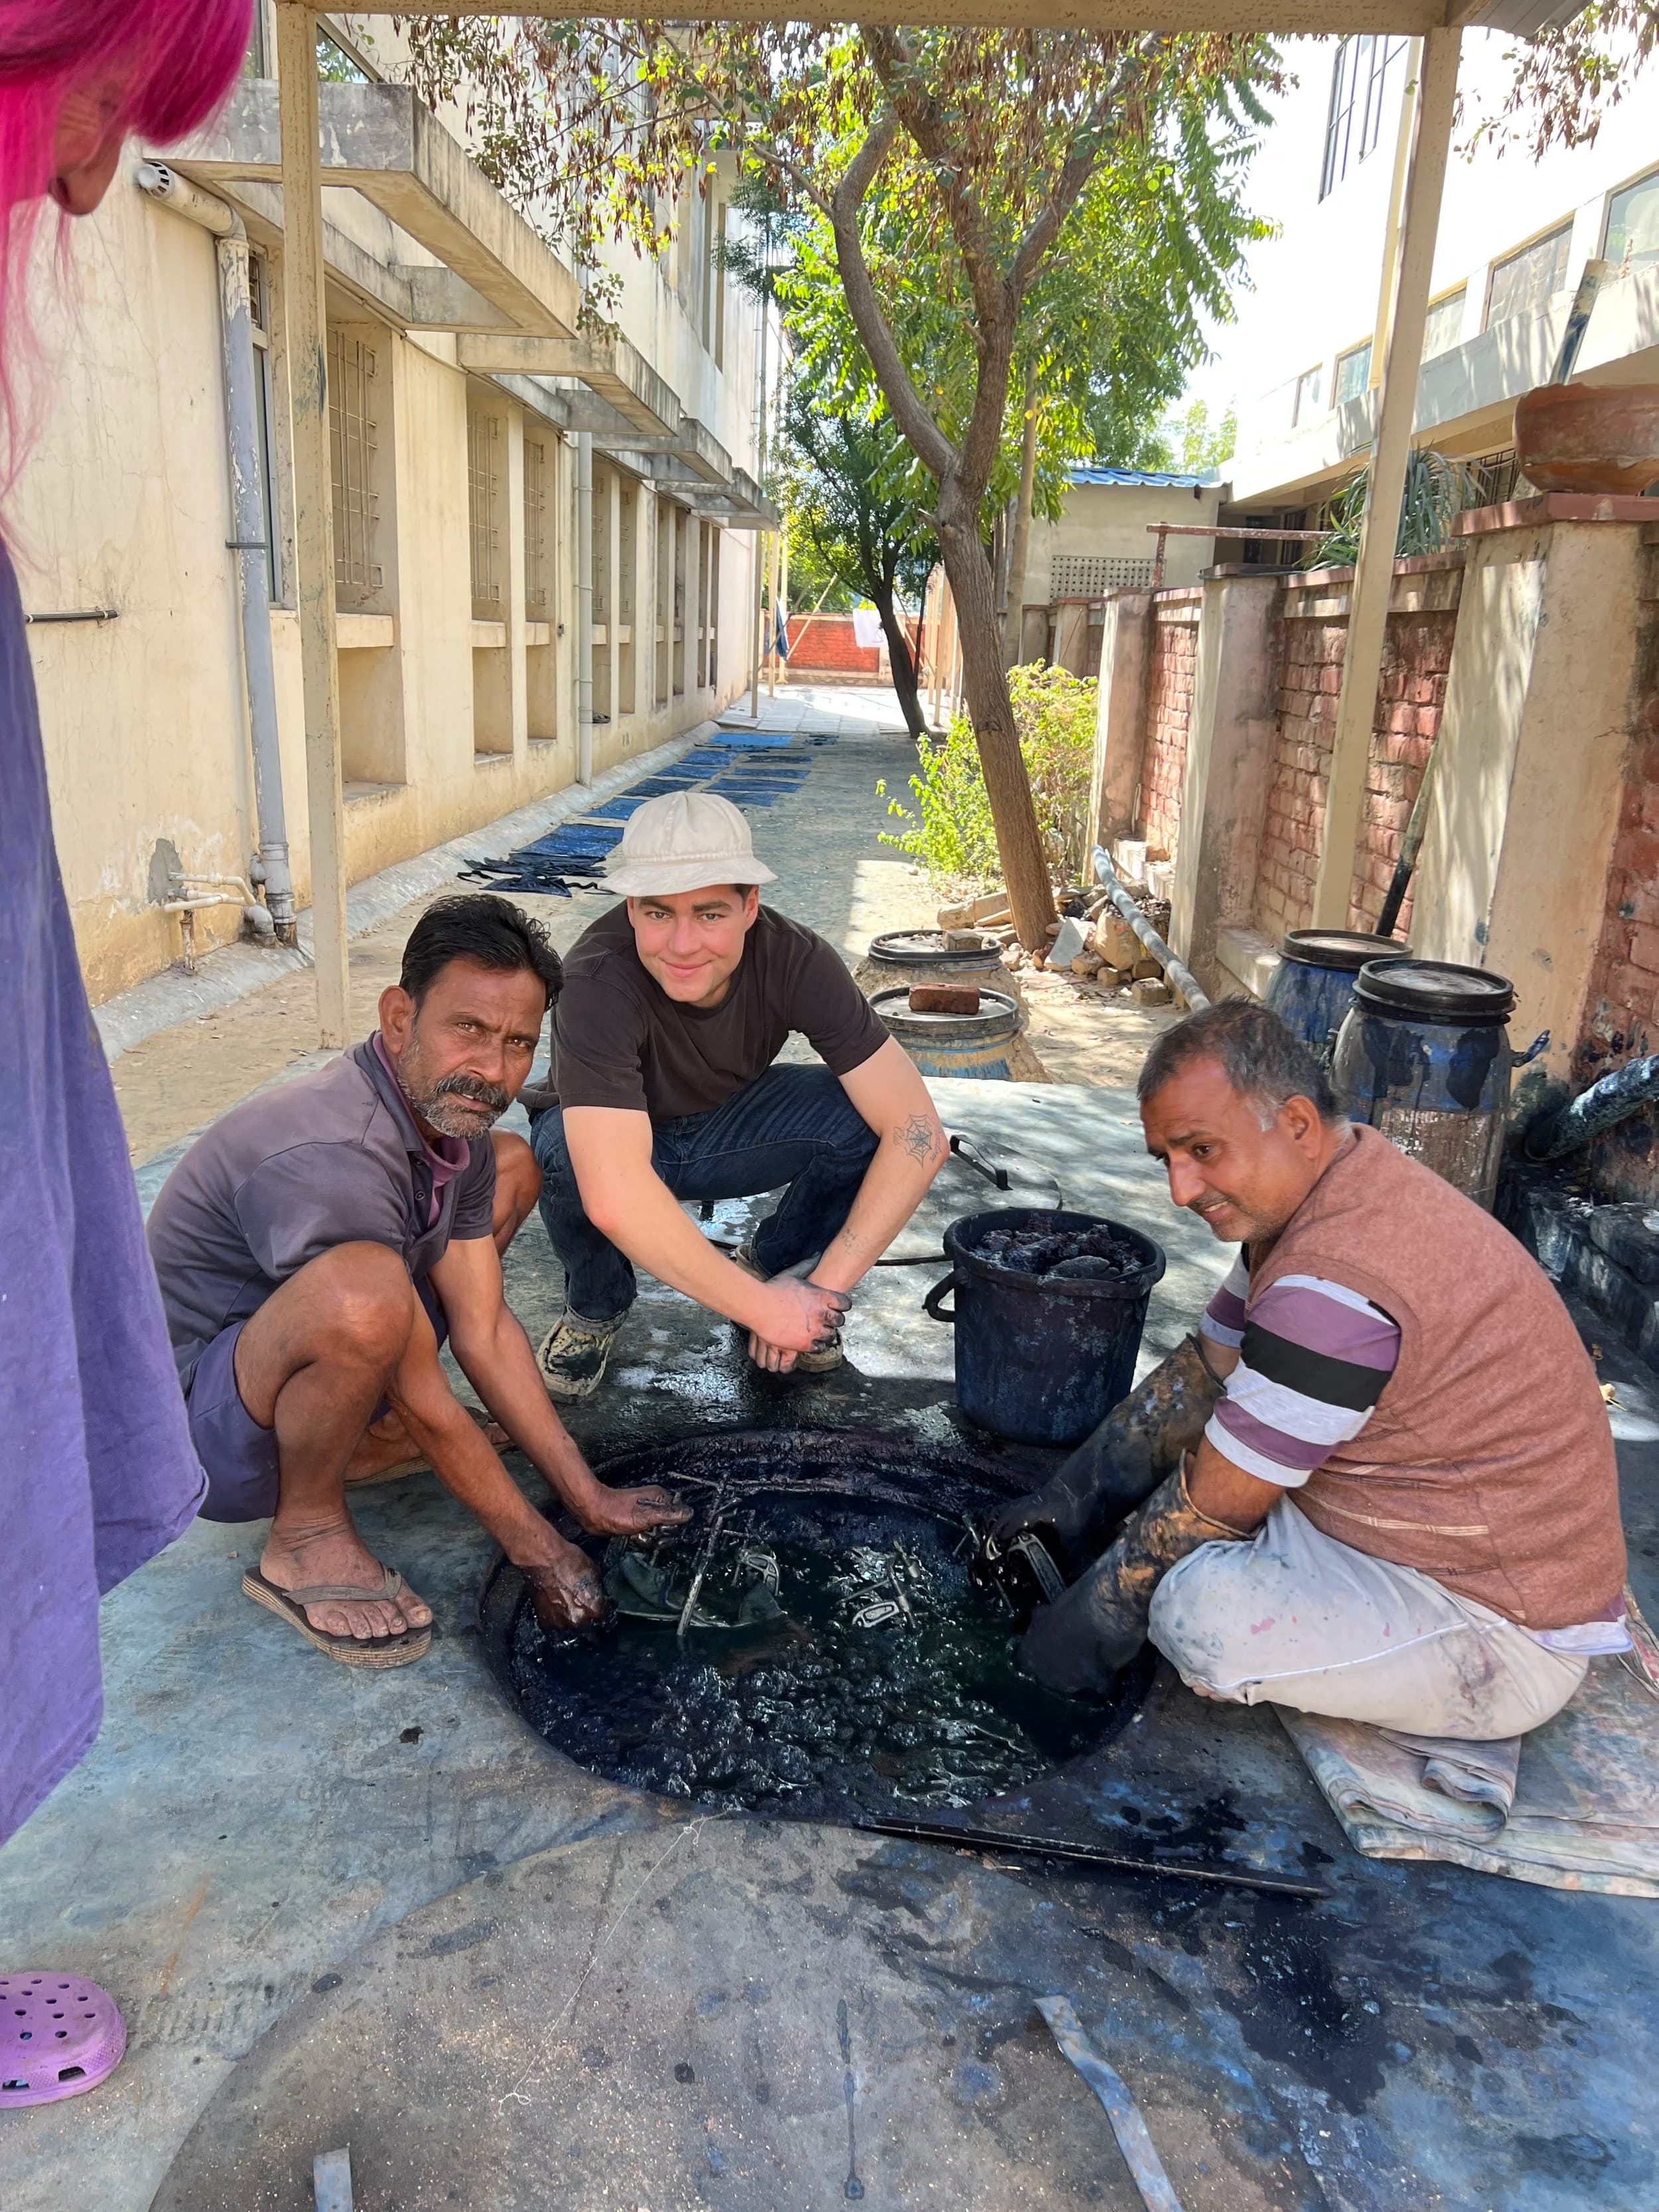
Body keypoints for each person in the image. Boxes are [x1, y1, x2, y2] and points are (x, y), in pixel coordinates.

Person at [1, 0, 265, 1845]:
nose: (94, 184)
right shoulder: (340, 1141)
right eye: (102, 103)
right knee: (374, 1307)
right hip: (244, 1358)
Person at [1003, 1001, 1629, 1744]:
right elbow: (1203, 1374)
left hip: (1495, 1620)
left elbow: (1214, 1502)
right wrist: (1065, 1503)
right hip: (1391, 1522)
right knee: (1160, 1507)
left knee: (1195, 1614)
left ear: (1297, 1124)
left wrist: (1076, 1637)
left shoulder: (1333, 1283)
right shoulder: (1329, 1185)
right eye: (1165, 1158)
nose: (1180, 1190)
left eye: (1201, 1149)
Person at [145, 896, 689, 1668]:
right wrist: (543, 1553)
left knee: (507, 1165)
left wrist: (586, 1494)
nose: (493, 1070)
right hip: (198, 1438)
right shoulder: (335, 1156)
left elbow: (484, 1327)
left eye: (518, 1043)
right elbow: (421, 1390)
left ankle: (357, 1438)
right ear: (399, 1019)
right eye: (467, 1028)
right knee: (366, 1291)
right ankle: (305, 1534)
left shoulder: (448, 1126)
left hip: (282, 1364)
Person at [525, 790, 948, 1397]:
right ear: (630, 908)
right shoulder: (594, 978)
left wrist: (817, 1295)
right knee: (566, 1150)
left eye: (710, 914)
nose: (682, 944)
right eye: (658, 913)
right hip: (619, 1142)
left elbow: (919, 1134)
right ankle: (596, 1305)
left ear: (751, 906)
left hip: (727, 1125)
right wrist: (761, 1312)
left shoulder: (797, 958)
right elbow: (616, 1194)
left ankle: (779, 1266)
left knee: (860, 1117)